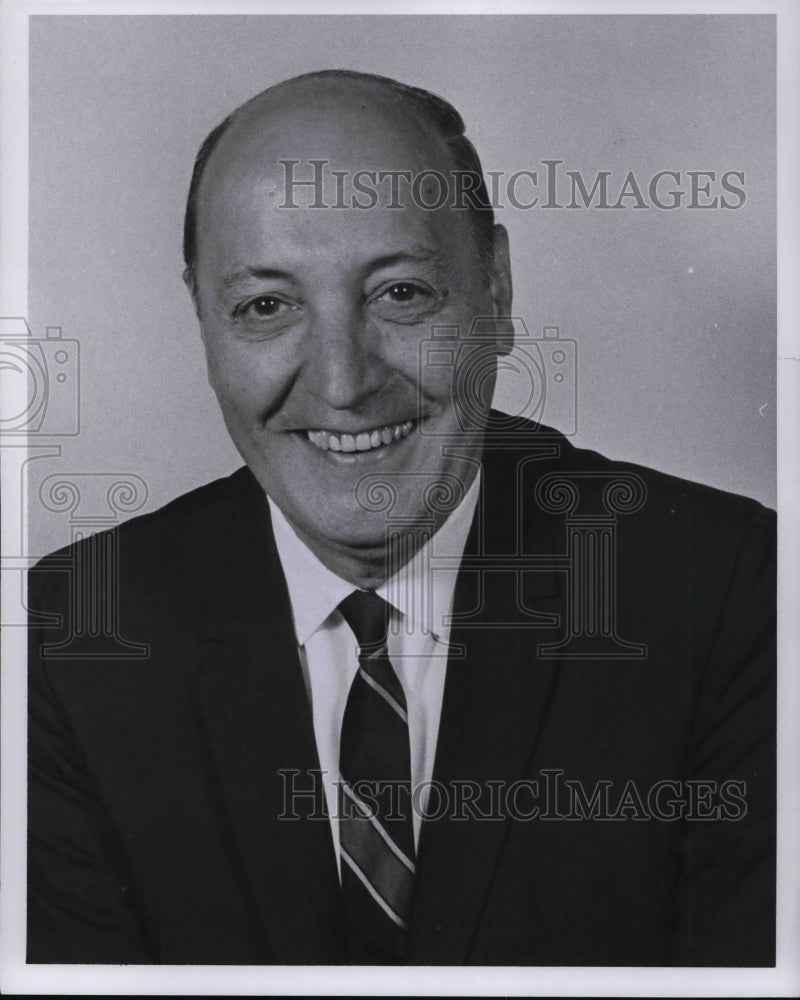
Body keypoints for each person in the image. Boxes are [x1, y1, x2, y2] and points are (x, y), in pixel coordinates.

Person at [27, 69, 775, 966]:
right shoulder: (75, 635)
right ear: (201, 317)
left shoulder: (731, 595)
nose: (343, 384)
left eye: (402, 294)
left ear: (495, 290)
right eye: (267, 306)